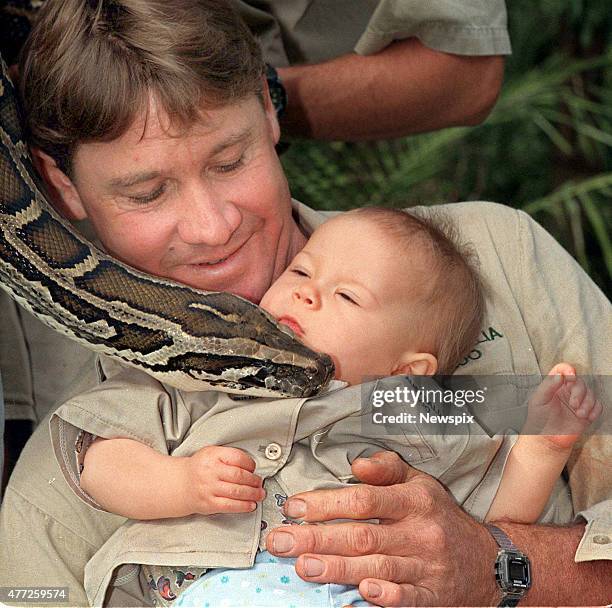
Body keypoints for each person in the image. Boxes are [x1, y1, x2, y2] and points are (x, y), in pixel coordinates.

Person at [0, 1, 609, 606]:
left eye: (230, 161)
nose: (213, 227)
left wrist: (499, 566)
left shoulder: (494, 259)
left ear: (270, 113)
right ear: (61, 186)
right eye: (147, 192)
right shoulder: (75, 460)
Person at [72, 208, 601, 607]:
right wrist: (178, 484)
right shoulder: (214, 367)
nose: (306, 295)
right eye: (301, 273)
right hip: (216, 588)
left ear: (406, 372)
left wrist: (539, 451)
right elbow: (99, 465)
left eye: (346, 297)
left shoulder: (404, 408)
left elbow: (488, 523)